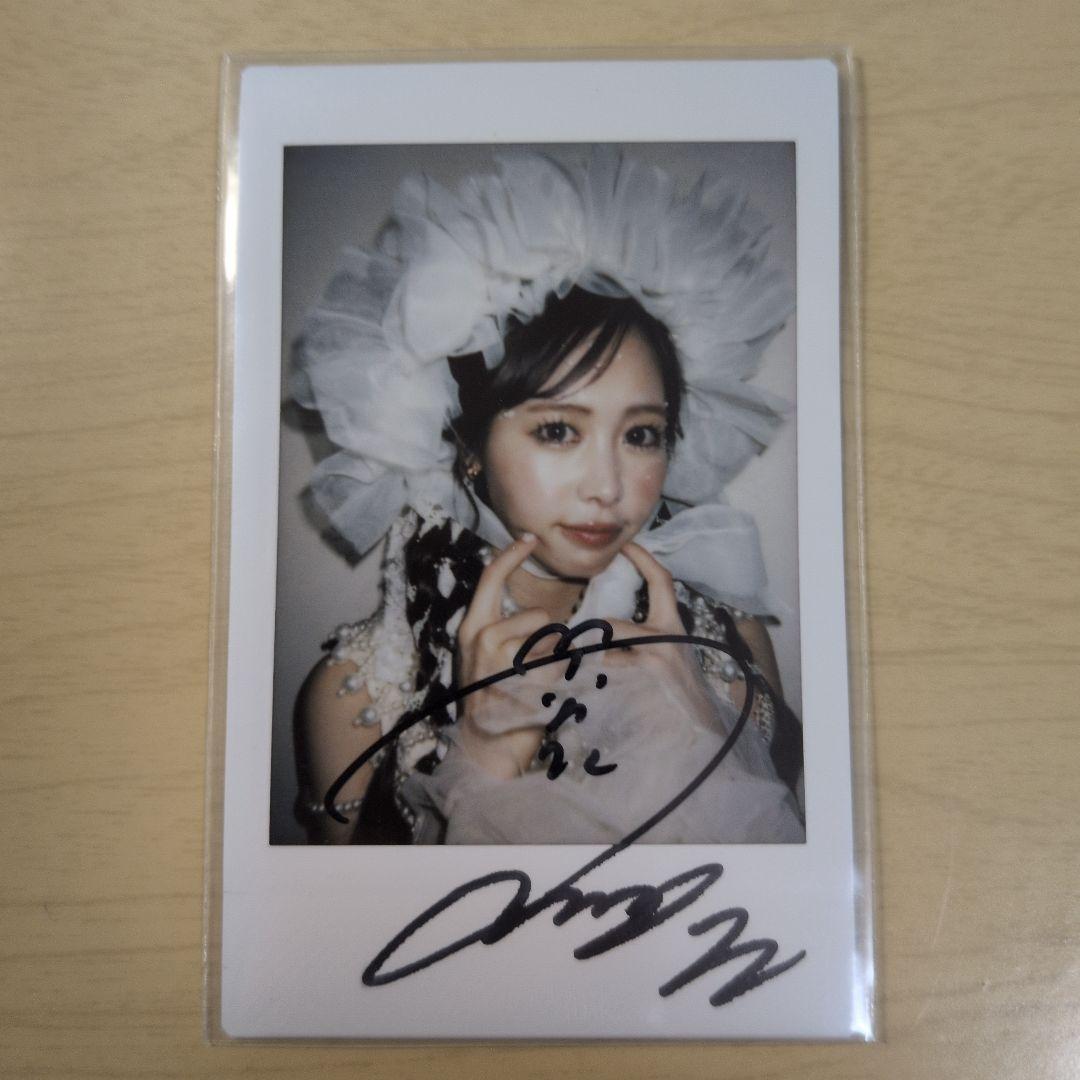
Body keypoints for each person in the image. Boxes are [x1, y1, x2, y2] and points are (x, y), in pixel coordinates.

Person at [288, 148, 804, 845]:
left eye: (641, 434)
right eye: (558, 430)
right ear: (469, 447)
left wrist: (708, 736)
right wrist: (478, 766)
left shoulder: (727, 646)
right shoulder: (357, 696)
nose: (607, 487)